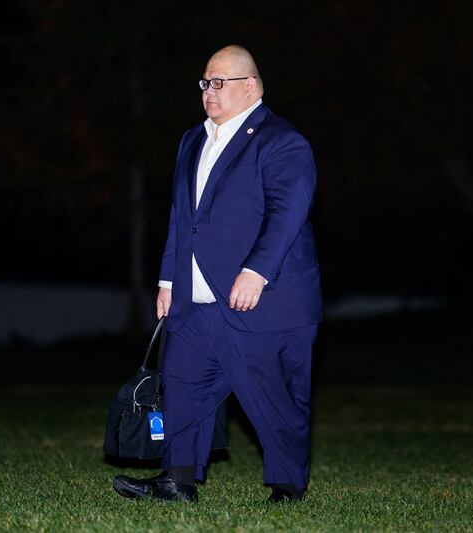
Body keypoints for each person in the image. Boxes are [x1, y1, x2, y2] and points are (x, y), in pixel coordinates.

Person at [113, 45, 322, 503]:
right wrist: (169, 279)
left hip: (264, 299)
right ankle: (178, 480)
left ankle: (288, 487)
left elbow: (289, 210)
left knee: (273, 399)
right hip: (197, 298)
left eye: (220, 82)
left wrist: (257, 271)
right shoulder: (193, 140)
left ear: (250, 87)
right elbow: (181, 215)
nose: (210, 91)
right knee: (184, 384)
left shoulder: (281, 141)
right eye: (206, 82)